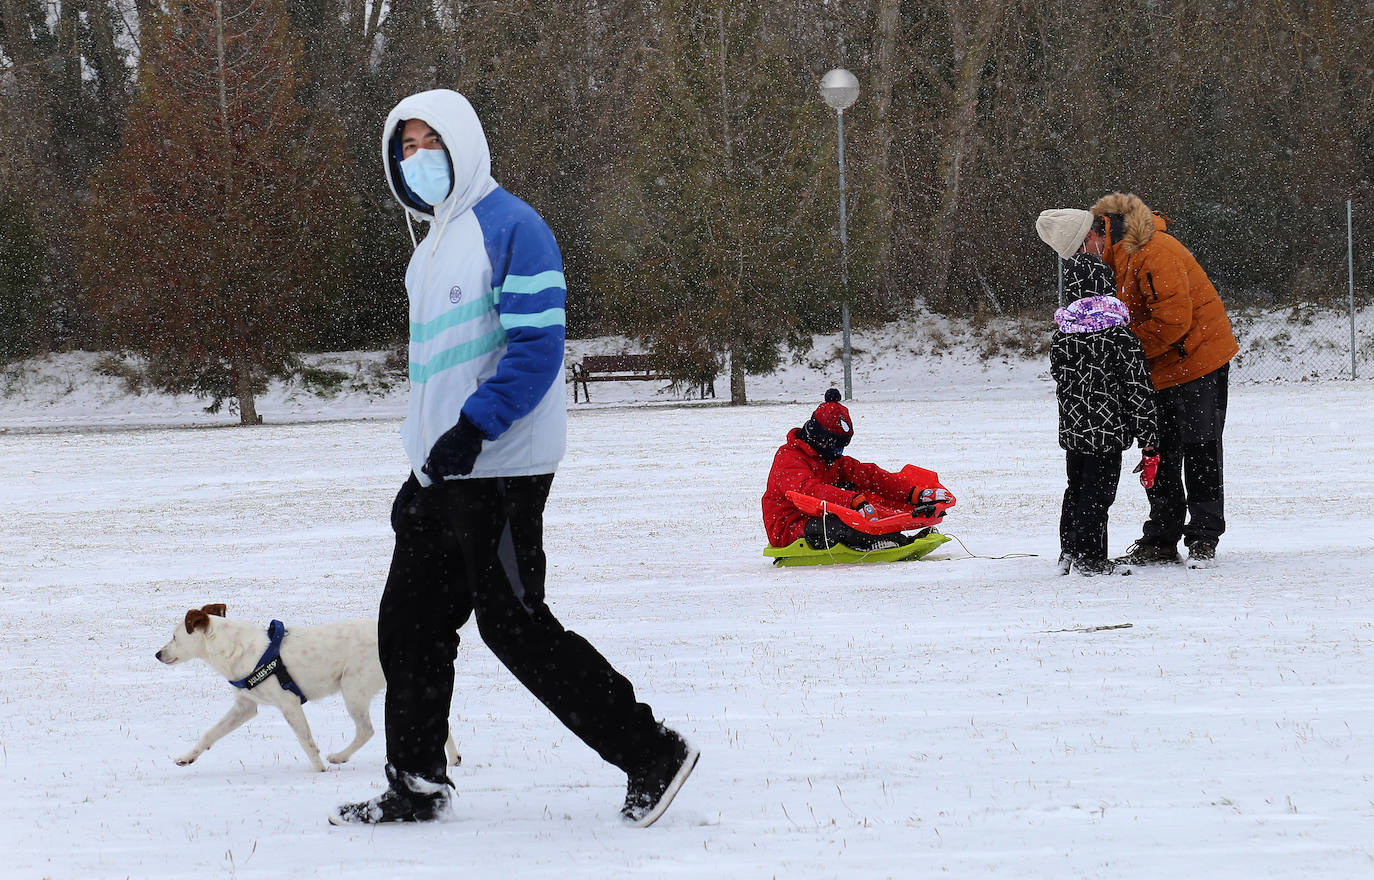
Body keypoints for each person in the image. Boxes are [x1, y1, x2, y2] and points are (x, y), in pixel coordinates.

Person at [331, 89, 697, 828]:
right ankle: (416, 783)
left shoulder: (515, 229)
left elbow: (536, 351)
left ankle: (651, 751)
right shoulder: (430, 246)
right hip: (445, 471)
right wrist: (421, 469)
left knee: (515, 625)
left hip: (501, 467)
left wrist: (472, 432)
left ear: (464, 142)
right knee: (408, 623)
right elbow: (435, 376)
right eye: (405, 146)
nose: (418, 156)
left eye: (431, 140)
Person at [1037, 196, 1238, 566]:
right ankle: (1161, 537)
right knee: (1158, 451)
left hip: (1199, 358)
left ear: (1091, 237)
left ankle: (1204, 537)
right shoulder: (1108, 259)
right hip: (1156, 363)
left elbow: (1173, 320)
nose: (1084, 263)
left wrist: (1118, 351)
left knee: (1200, 448)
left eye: (1081, 253)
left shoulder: (1154, 251)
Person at [1048, 253, 1159, 576]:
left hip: (1074, 431)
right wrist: (1148, 436)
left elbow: (1060, 376)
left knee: (1076, 490)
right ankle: (1091, 558)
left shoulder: (1063, 337)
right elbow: (1137, 388)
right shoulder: (1120, 338)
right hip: (1107, 432)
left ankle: (1069, 551)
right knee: (1098, 496)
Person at [761, 389, 948, 552]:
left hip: (816, 515)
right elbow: (811, 490)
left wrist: (913, 494)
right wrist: (851, 501)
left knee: (867, 498)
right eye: (836, 447)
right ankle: (886, 543)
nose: (838, 454)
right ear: (821, 439)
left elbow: (869, 475)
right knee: (844, 522)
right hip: (790, 526)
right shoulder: (789, 458)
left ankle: (893, 539)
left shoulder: (827, 459)